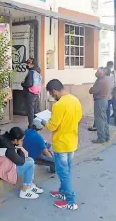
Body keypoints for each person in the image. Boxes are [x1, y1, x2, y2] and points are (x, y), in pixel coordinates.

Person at [41, 79, 82, 210]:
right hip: (72, 141)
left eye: (52, 94)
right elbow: (79, 117)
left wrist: (44, 123)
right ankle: (63, 192)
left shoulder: (58, 105)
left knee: (63, 173)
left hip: (61, 144)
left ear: (54, 91)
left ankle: (71, 201)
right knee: (67, 170)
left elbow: (52, 126)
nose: (53, 97)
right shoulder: (75, 100)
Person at [0, 127, 43, 199]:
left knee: (30, 160)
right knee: (30, 163)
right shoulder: (8, 149)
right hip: (3, 172)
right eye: (21, 140)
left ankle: (29, 185)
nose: (22, 142)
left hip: (1, 167)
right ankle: (24, 191)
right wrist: (20, 149)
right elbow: (20, 162)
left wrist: (18, 149)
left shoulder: (4, 139)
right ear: (15, 140)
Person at [89, 67, 112, 143]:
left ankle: (101, 138)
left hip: (100, 101)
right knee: (104, 119)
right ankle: (106, 136)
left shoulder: (101, 81)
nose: (96, 73)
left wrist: (91, 88)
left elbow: (92, 90)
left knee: (99, 120)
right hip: (104, 100)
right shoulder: (106, 79)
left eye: (97, 72)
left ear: (101, 73)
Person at [21, 58, 42, 128]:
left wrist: (23, 84)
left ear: (32, 65)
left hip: (30, 93)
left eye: (28, 64)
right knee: (36, 109)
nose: (27, 65)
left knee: (30, 110)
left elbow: (29, 84)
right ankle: (38, 124)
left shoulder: (31, 72)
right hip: (36, 93)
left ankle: (31, 125)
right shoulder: (37, 72)